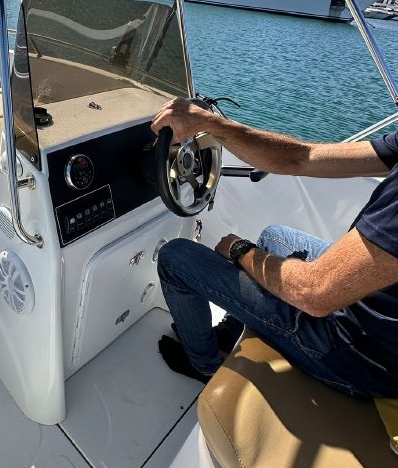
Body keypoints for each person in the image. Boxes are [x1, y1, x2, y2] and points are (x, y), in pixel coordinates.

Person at [152, 97, 398, 398]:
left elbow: (314, 294)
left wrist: (241, 251)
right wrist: (213, 124)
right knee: (276, 238)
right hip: (378, 315)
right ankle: (228, 336)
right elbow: (302, 157)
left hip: (363, 358)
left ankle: (205, 366)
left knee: (175, 259)